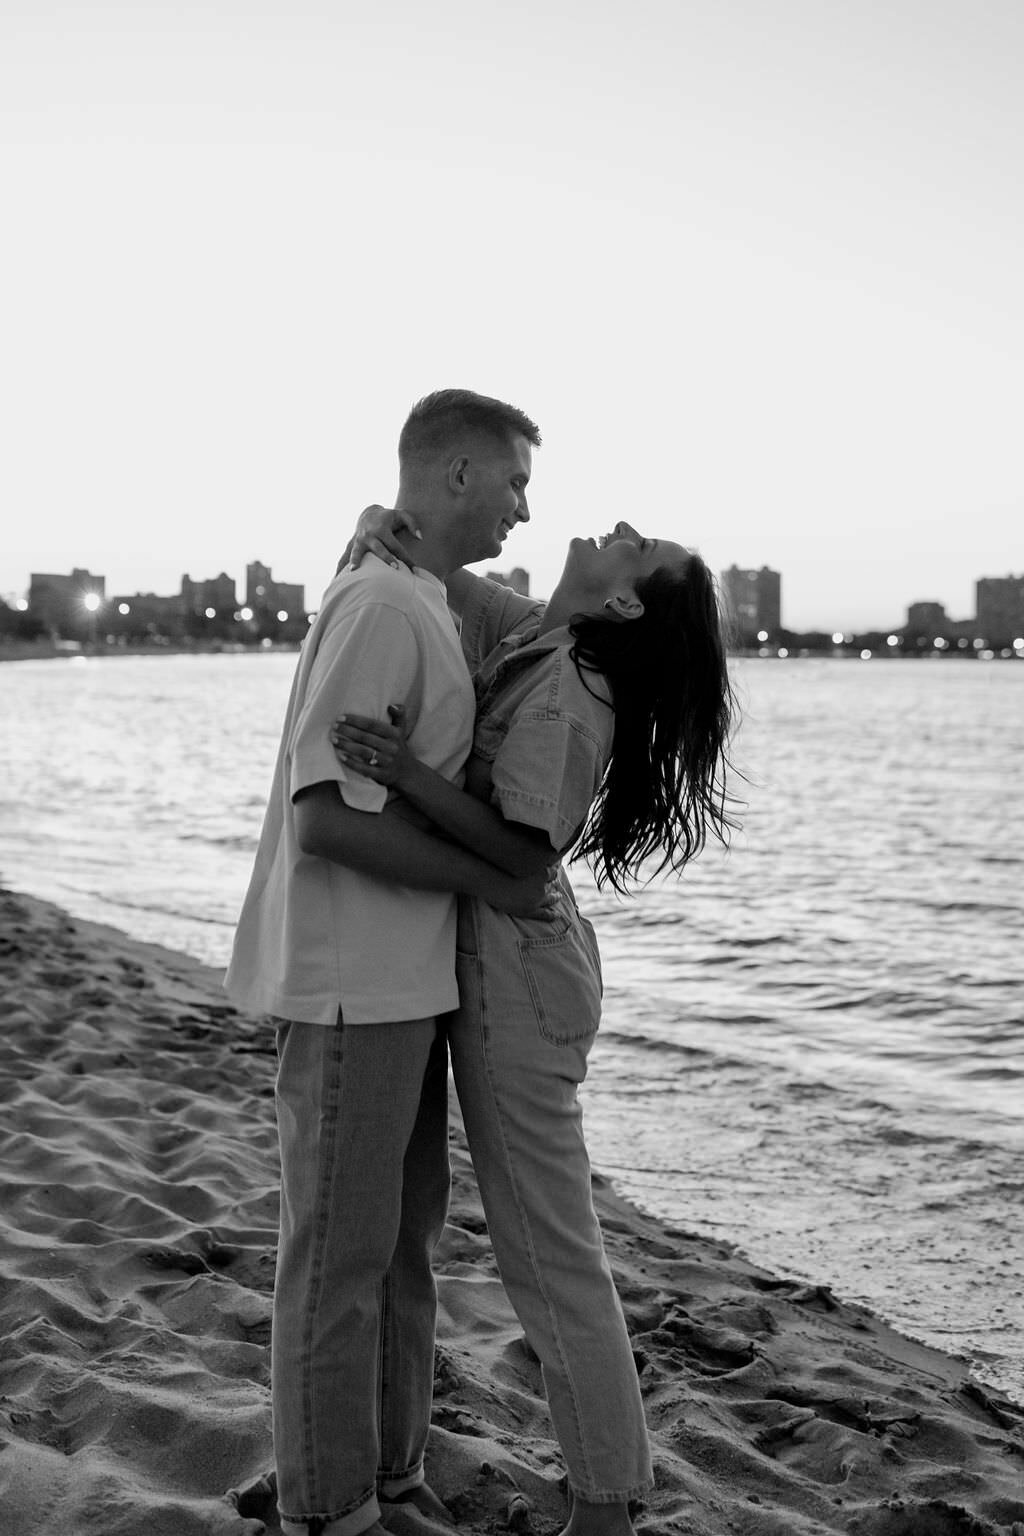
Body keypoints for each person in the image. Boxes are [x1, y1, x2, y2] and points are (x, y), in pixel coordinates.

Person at [332, 512, 737, 1536]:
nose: (621, 527)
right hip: (508, 961)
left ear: (627, 599)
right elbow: (447, 583)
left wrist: (406, 775)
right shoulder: (552, 630)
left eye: (639, 548)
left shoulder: (573, 689)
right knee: (545, 1250)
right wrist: (382, 528)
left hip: (519, 975)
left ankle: (605, 1507)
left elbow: (521, 855)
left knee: (549, 1258)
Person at [224, 389, 551, 1536]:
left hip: (404, 985)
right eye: (513, 480)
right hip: (351, 984)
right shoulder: (380, 606)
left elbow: (547, 626)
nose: (524, 505)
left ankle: (392, 1474)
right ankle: (327, 1509)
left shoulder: (418, 593)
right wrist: (489, 878)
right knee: (339, 1264)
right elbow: (327, 820)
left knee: (401, 1251)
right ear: (459, 475)